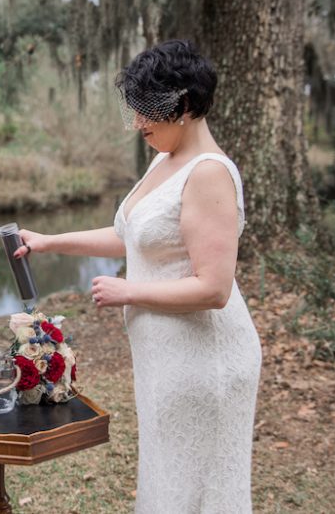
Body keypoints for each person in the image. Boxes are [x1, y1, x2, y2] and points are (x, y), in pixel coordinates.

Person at [16, 40, 262, 513]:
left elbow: (214, 288)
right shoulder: (165, 160)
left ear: (185, 105)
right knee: (167, 479)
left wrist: (132, 291)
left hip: (204, 362)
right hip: (166, 357)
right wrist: (49, 241)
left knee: (196, 489)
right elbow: (129, 235)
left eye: (147, 110)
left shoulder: (210, 174)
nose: (138, 124)